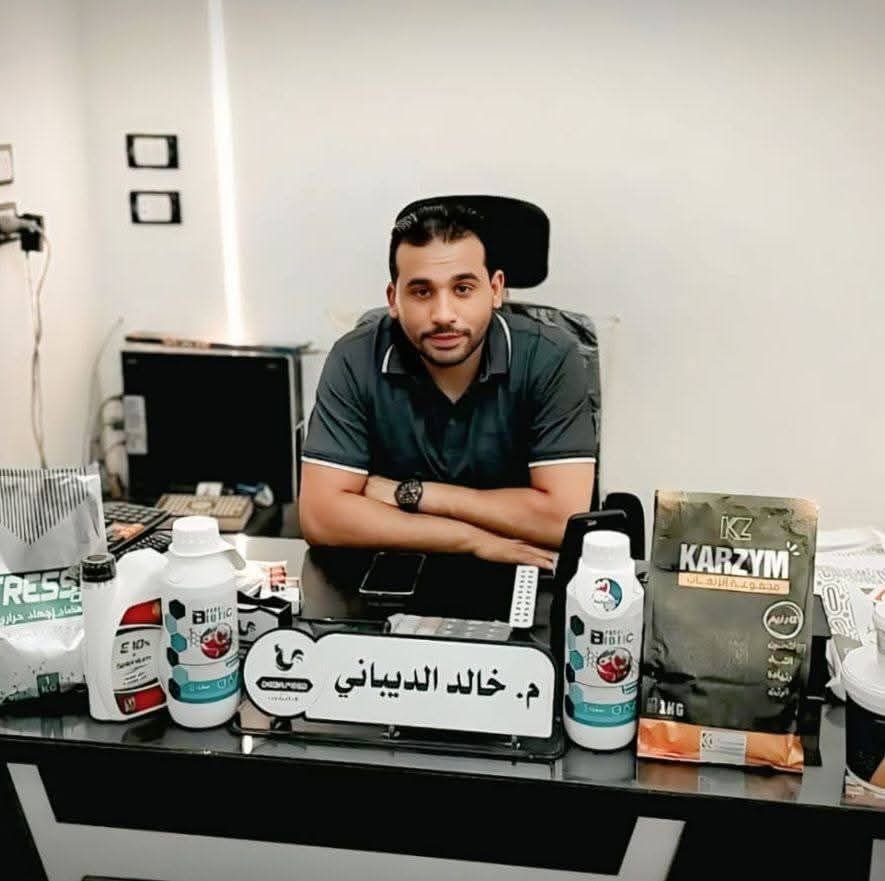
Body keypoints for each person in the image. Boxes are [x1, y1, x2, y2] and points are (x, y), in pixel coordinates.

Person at [299, 201, 596, 568]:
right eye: (422, 292)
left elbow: (562, 519)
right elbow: (321, 517)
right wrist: (472, 540)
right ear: (394, 299)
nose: (443, 315)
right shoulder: (354, 356)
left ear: (496, 289)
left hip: (521, 567)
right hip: (392, 565)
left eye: (463, 289)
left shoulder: (549, 357)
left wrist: (415, 495)